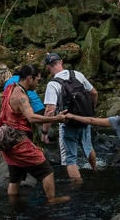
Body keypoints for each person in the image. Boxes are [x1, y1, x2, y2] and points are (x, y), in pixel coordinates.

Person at [0, 65, 71, 203]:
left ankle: (13, 204)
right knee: (47, 170)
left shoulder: (11, 87)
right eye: (37, 80)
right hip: (18, 141)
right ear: (29, 79)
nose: (38, 84)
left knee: (15, 178)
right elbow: (32, 118)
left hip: (7, 139)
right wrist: (55, 119)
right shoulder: (21, 97)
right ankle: (52, 199)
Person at [42, 52, 98, 180]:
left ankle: (77, 187)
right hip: (84, 119)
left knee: (70, 159)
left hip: (67, 123)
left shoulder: (53, 84)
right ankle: (95, 171)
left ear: (48, 67)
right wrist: (90, 111)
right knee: (88, 146)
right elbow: (94, 93)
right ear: (61, 62)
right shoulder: (77, 74)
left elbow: (50, 110)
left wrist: (45, 131)